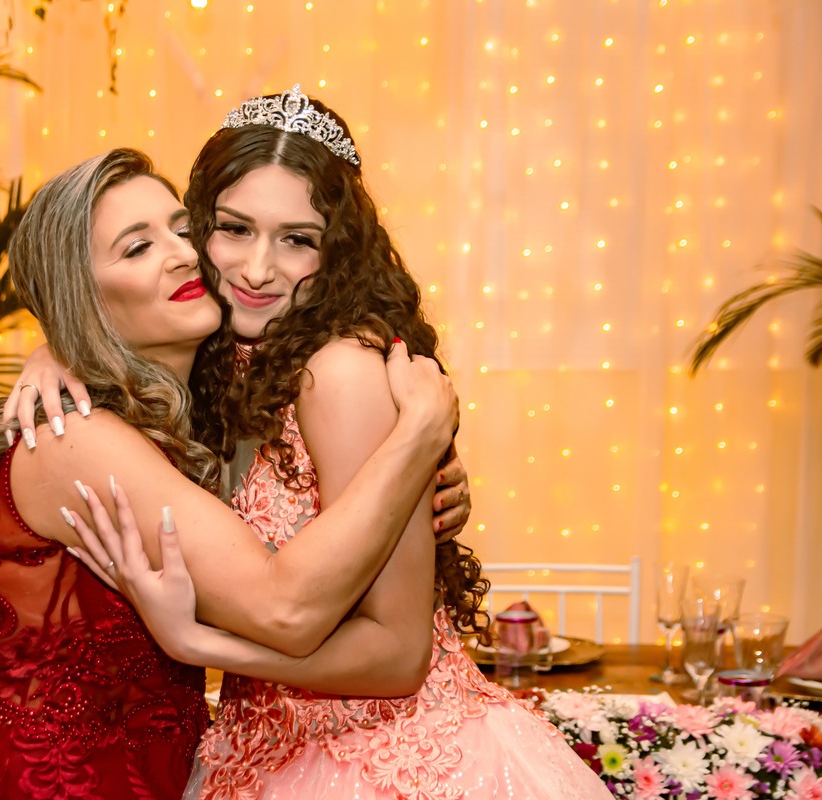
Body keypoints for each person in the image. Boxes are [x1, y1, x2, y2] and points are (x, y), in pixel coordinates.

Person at [51, 87, 614, 799]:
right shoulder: (223, 366)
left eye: (298, 240)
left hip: (386, 761)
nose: (258, 269)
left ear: (339, 249)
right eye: (235, 229)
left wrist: (200, 645)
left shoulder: (340, 371)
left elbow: (398, 654)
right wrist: (58, 353)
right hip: (254, 754)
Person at [0, 147, 461, 799]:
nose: (182, 255)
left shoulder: (191, 419)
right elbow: (285, 608)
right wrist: (417, 438)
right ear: (79, 297)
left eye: (181, 229)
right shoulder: (75, 439)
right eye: (137, 248)